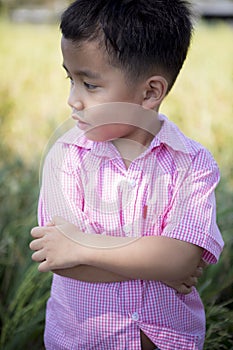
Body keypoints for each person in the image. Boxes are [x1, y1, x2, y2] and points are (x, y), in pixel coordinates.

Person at [29, 1, 224, 349]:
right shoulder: (66, 157)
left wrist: (82, 246)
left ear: (150, 92)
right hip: (81, 339)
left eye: (89, 85)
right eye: (70, 79)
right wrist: (159, 263)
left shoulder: (193, 163)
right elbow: (60, 260)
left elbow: (181, 259)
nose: (73, 100)